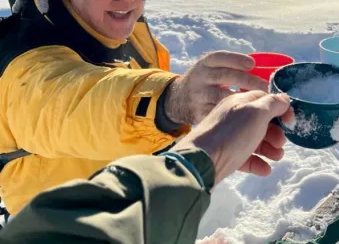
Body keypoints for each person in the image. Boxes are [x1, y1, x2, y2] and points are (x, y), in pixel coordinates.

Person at [0, 0, 269, 218]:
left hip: (138, 214)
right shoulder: (23, 69)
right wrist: (175, 100)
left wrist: (200, 130)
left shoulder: (126, 29)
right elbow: (79, 104)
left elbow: (146, 106)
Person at [0, 90, 293, 243]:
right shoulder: (24, 55)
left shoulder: (131, 34)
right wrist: (201, 155)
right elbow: (65, 94)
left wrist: (163, 236)